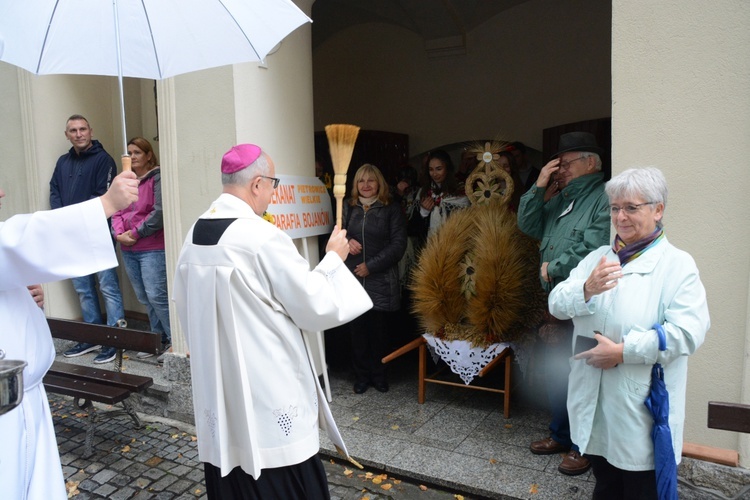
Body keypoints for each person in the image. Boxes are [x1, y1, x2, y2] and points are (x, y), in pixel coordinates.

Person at [172, 144, 373, 499]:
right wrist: (332, 259)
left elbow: (185, 306)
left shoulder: (194, 234)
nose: (272, 193)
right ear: (257, 184)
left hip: (221, 385)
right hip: (267, 385)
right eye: (272, 184)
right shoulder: (261, 237)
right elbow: (312, 305)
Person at [548, 167, 709, 498]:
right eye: (615, 208)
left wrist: (623, 352)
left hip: (640, 412)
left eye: (631, 208)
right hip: (594, 406)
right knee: (606, 485)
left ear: (658, 209)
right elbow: (556, 304)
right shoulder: (597, 258)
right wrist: (586, 290)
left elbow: (688, 332)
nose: (620, 217)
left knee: (639, 488)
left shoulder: (677, 266)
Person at [0, 172, 139, 500]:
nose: (2, 192)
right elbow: (22, 238)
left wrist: (23, 295)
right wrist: (106, 204)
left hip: (25, 401)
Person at [516, 131, 611, 476]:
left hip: (583, 300)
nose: (560, 170)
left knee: (582, 374)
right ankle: (561, 433)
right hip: (555, 299)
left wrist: (553, 267)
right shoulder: (562, 196)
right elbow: (527, 224)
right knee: (558, 372)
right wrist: (540, 185)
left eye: (566, 163)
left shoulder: (602, 197)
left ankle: (582, 446)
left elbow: (595, 246)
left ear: (590, 162)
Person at [50, 114, 127, 364]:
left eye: (83, 129)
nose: (79, 134)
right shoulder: (63, 162)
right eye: (73, 130)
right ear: (67, 135)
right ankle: (92, 336)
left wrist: (73, 218)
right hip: (71, 236)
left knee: (108, 287)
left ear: (91, 131)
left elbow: (101, 197)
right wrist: (62, 218)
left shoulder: (104, 160)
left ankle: (114, 341)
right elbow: (55, 191)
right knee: (83, 288)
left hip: (97, 234)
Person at [343, 164, 407, 394]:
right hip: (352, 281)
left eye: (371, 180)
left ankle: (379, 376)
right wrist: (346, 240)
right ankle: (361, 377)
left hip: (380, 281)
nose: (366, 185)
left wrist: (371, 266)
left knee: (379, 333)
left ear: (379, 183)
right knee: (357, 332)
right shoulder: (348, 207)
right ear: (355, 185)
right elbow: (334, 235)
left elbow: (399, 245)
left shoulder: (391, 209)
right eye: (361, 181)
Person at [112, 137, 171, 360]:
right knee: (144, 297)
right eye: (129, 152)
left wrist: (135, 233)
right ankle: (157, 340)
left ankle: (174, 341)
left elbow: (159, 213)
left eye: (137, 152)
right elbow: (116, 210)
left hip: (152, 247)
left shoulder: (157, 178)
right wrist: (118, 234)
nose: (132, 156)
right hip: (129, 249)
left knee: (157, 295)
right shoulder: (124, 181)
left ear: (148, 155)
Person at [407, 149, 470, 251]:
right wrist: (423, 213)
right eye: (431, 169)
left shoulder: (460, 192)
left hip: (453, 250)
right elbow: (411, 230)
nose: (434, 174)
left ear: (447, 168)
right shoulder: (423, 192)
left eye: (439, 169)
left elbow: (466, 227)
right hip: (427, 252)